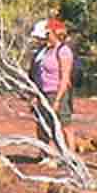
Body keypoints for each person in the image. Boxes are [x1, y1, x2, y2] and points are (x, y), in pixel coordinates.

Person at [28, 18, 76, 153]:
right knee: (43, 124)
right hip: (43, 92)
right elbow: (37, 73)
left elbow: (65, 77)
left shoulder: (63, 50)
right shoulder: (44, 51)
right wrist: (34, 94)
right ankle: (48, 153)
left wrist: (58, 99)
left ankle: (71, 155)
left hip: (56, 91)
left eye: (48, 34)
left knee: (63, 124)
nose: (45, 37)